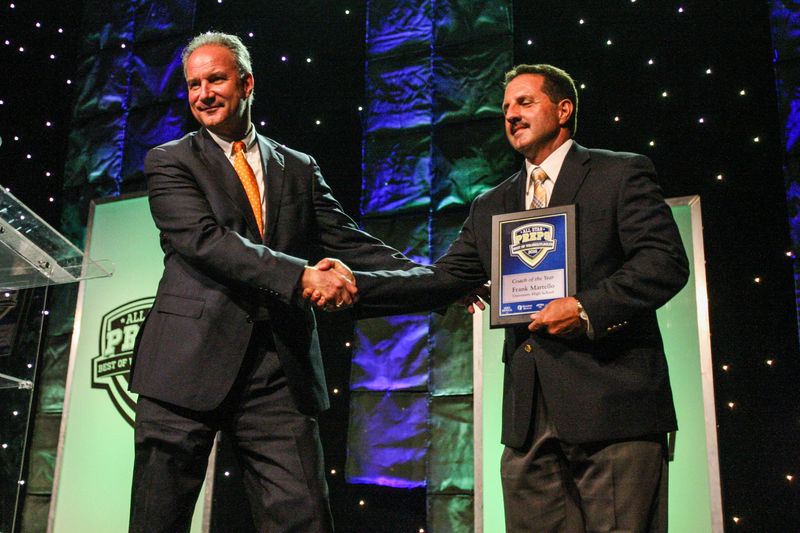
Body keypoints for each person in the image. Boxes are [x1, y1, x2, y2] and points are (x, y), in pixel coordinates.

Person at [350, 64, 690, 532]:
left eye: (524, 102)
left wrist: (586, 307)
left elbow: (663, 263)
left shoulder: (619, 173)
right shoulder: (493, 204)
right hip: (529, 422)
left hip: (614, 407)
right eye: (505, 107)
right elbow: (444, 278)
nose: (510, 115)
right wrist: (353, 283)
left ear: (564, 109)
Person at [129, 32, 416, 533]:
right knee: (159, 520)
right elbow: (206, 241)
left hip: (277, 369)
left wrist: (434, 281)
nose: (203, 94)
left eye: (215, 79)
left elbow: (349, 241)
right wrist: (301, 275)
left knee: (304, 517)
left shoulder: (299, 167)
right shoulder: (169, 160)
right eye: (193, 84)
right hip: (183, 364)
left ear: (247, 83)